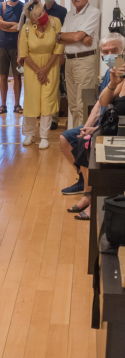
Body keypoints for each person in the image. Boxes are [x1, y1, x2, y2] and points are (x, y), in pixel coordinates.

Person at [65, 35, 125, 220]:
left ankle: (95, 198)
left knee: (89, 143)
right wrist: (113, 83)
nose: (110, 55)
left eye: (115, 51)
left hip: (119, 131)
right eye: (106, 52)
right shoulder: (116, 76)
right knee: (84, 141)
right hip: (113, 127)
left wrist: (97, 128)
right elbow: (103, 102)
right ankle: (88, 193)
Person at [19, 1, 64, 149]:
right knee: (31, 100)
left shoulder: (55, 23)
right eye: (38, 15)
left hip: (51, 65)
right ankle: (30, 134)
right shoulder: (26, 28)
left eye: (43, 12)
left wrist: (45, 69)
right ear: (32, 20)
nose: (43, 15)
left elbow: (58, 48)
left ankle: (44, 136)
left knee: (47, 100)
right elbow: (24, 53)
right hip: (32, 67)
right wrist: (39, 71)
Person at [57, 0, 101, 128]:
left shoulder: (93, 12)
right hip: (69, 61)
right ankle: (76, 135)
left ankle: (83, 138)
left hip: (85, 61)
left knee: (83, 104)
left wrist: (74, 37)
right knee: (73, 105)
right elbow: (59, 38)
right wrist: (81, 38)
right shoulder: (69, 14)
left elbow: (71, 36)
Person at [0, 0, 24, 115]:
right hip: (2, 45)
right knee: (3, 76)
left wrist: (5, 25)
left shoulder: (23, 7)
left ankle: (17, 105)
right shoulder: (1, 6)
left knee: (17, 76)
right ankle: (3, 105)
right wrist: (14, 24)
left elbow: (22, 27)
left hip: (18, 46)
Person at [42, 0, 68, 130]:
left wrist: (60, 54)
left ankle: (54, 118)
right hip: (41, 54)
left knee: (55, 86)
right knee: (43, 84)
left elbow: (63, 34)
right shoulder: (39, 11)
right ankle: (44, 115)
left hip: (56, 53)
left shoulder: (62, 11)